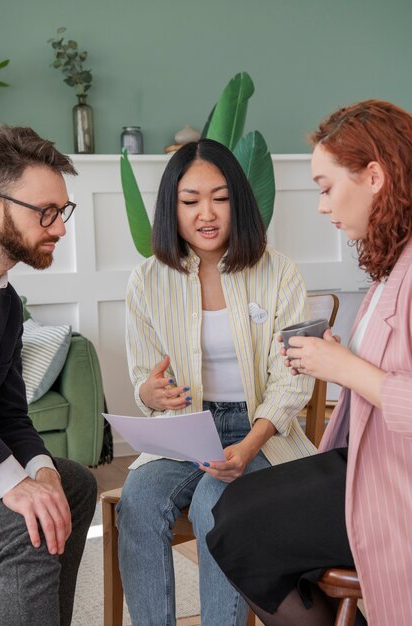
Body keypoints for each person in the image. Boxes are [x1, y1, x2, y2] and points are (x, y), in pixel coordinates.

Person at [206, 99, 412, 626]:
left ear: (374, 176)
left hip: (396, 484)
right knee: (233, 513)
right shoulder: (394, 263)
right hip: (370, 462)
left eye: (325, 187)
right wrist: (340, 357)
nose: (322, 206)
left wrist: (343, 368)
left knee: (241, 527)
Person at [117, 138, 317, 625]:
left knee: (215, 505)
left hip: (262, 432)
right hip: (188, 432)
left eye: (221, 198)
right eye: (190, 201)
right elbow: (145, 378)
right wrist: (150, 392)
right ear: (172, 208)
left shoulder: (279, 272)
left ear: (239, 203)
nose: (206, 213)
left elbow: (292, 382)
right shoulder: (147, 280)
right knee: (138, 499)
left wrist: (248, 445)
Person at [0, 125, 97, 626]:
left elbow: (9, 412)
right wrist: (13, 483)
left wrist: (42, 472)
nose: (59, 228)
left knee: (72, 485)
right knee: (25, 523)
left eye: (63, 212)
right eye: (46, 213)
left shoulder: (6, 303)